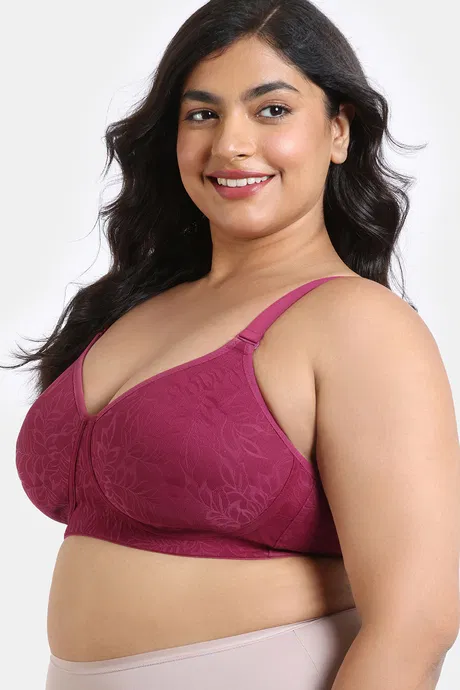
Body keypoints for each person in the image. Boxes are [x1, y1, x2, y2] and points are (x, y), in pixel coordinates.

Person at [7, 0, 459, 688]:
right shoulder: (137, 307)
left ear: (338, 130)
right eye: (202, 114)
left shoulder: (359, 325)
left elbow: (417, 620)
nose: (231, 145)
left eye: (271, 110)